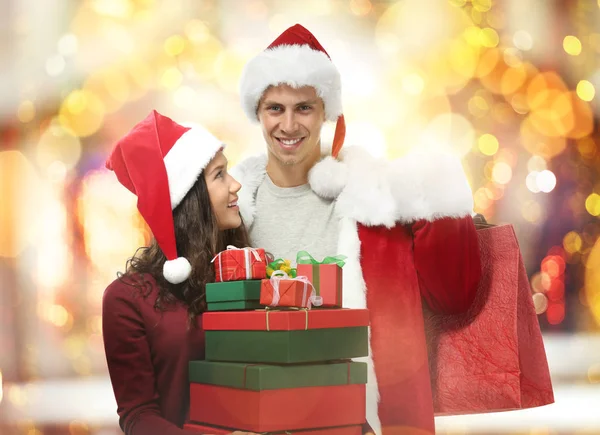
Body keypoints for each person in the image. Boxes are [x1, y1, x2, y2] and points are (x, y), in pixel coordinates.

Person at [231, 24, 482, 435]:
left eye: (304, 108)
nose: (289, 125)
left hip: (358, 420)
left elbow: (455, 296)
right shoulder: (232, 211)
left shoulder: (373, 203)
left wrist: (439, 197)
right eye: (275, 108)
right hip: (258, 418)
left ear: (326, 111)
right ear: (257, 111)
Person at [102, 110, 252, 435]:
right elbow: (138, 416)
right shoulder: (127, 299)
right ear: (190, 198)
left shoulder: (247, 273)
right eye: (220, 175)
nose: (236, 184)